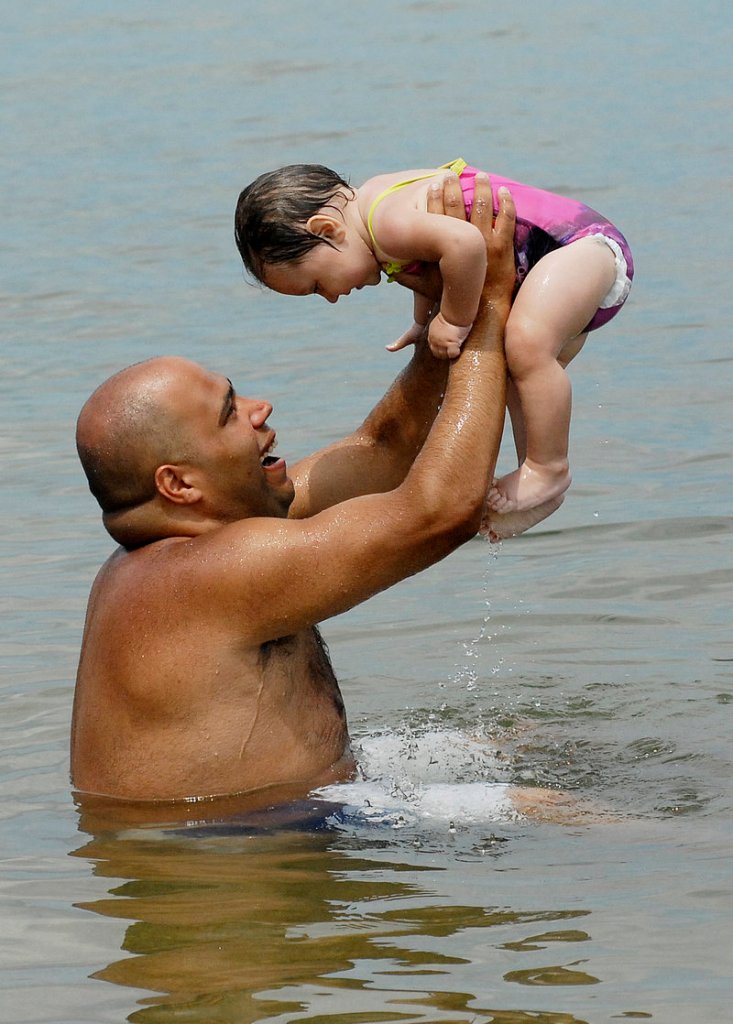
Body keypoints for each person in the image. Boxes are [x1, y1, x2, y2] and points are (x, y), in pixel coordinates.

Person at [72, 176, 539, 820]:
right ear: (178, 484)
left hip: (291, 811)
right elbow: (441, 512)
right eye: (231, 412)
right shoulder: (204, 574)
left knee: (533, 747)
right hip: (237, 848)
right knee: (567, 814)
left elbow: (381, 451)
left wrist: (442, 322)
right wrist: (487, 306)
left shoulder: (210, 533)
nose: (263, 409)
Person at [234, 159, 633, 516]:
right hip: (550, 263)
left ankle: (549, 468)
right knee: (515, 369)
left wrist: (455, 319)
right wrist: (425, 320)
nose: (333, 298)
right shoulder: (375, 217)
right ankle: (536, 478)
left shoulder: (387, 224)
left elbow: (465, 245)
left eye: (318, 285)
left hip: (580, 247)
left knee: (527, 347)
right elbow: (430, 264)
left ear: (328, 229)